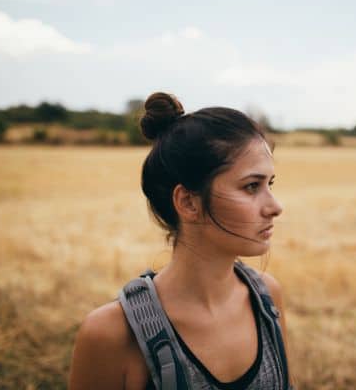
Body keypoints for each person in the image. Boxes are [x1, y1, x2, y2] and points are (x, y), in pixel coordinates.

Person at [68, 92, 294, 389]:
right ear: (188, 202)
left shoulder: (267, 299)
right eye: (252, 186)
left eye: (270, 184)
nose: (275, 206)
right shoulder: (112, 334)